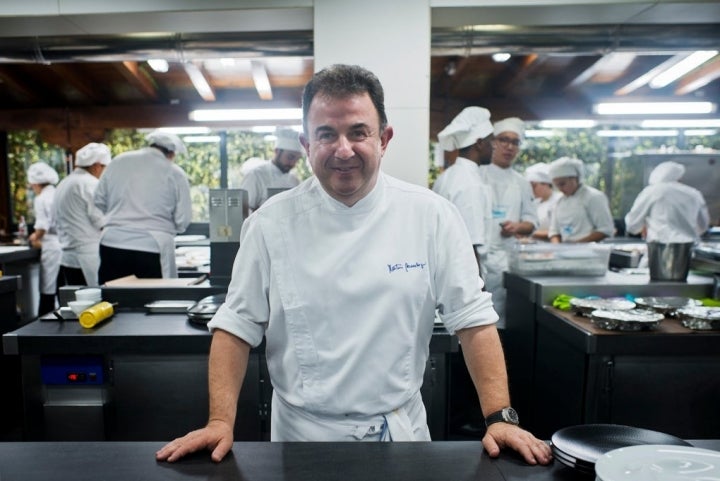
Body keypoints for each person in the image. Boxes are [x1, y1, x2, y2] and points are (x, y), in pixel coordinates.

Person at [156, 64, 551, 466]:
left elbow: (473, 320)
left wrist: (500, 416)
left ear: (384, 139)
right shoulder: (270, 223)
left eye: (358, 132)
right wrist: (219, 421)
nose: (343, 149)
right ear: (306, 145)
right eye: (326, 134)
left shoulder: (431, 216)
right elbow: (236, 326)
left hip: (400, 433)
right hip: (301, 439)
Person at [94, 130, 192, 283]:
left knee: (112, 300)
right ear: (172, 153)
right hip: (152, 247)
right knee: (152, 300)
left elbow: (99, 200)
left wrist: (119, 215)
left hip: (112, 244)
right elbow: (183, 219)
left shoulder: (118, 161)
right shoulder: (174, 172)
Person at [477, 118, 538, 326]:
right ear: (493, 142)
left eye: (515, 142)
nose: (509, 146)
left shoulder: (522, 183)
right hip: (478, 259)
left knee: (502, 321)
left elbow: (532, 222)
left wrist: (518, 226)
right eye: (504, 140)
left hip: (507, 262)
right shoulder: (478, 175)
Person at [433, 106, 494, 274]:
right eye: (491, 141)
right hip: (463, 274)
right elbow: (470, 243)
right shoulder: (469, 183)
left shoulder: (448, 176)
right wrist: (479, 287)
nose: (494, 147)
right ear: (480, 143)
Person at [54, 142, 111, 287]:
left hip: (68, 257)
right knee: (91, 305)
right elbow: (101, 222)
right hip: (87, 257)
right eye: (105, 168)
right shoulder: (90, 184)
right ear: (97, 166)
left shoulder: (65, 182)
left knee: (74, 302)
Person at [624, 160, 709, 242]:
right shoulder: (694, 193)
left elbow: (632, 225)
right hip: (688, 248)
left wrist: (643, 227)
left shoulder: (652, 191)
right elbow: (703, 226)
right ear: (678, 177)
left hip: (659, 248)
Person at [547, 156, 614, 243]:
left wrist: (577, 245)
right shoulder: (559, 201)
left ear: (575, 178)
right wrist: (558, 248)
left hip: (591, 252)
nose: (560, 188)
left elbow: (605, 230)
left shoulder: (594, 197)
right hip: (565, 251)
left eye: (562, 184)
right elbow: (554, 232)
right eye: (557, 185)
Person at [26, 161, 61, 315]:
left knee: (47, 289)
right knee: (62, 287)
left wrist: (33, 237)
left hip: (52, 247)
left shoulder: (41, 199)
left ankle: (42, 326)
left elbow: (42, 226)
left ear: (35, 184)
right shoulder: (58, 193)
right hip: (64, 244)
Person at [239, 128, 304, 211]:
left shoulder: (294, 180)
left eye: (297, 159)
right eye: (290, 157)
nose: (293, 163)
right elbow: (243, 210)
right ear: (277, 151)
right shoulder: (255, 176)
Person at [524, 163, 562, 241]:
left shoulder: (559, 200)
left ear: (546, 184)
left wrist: (528, 233)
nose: (531, 189)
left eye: (534, 186)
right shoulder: (536, 203)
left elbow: (560, 232)